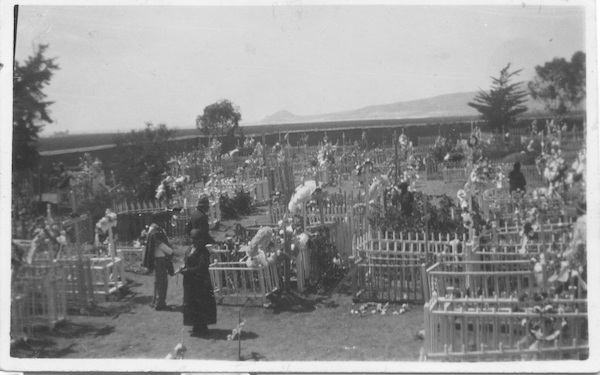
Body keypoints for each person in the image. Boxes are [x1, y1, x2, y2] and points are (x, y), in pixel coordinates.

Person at [179, 197, 217, 337]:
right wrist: (212, 241)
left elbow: (188, 228)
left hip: (197, 242)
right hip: (200, 242)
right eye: (207, 206)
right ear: (204, 206)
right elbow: (204, 233)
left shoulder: (194, 214)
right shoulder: (202, 216)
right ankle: (199, 325)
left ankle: (198, 325)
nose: (208, 208)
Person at [142, 211, 174, 311]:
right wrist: (170, 251)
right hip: (160, 259)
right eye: (162, 220)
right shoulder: (156, 231)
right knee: (162, 282)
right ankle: (160, 303)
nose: (164, 222)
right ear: (158, 220)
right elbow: (160, 245)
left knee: (158, 281)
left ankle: (156, 300)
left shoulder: (154, 230)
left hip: (158, 259)